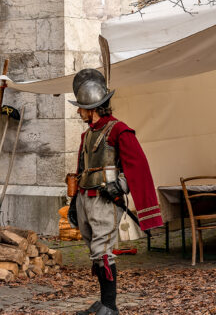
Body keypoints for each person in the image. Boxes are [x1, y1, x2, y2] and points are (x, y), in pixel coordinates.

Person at [67, 69, 163, 315]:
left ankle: (110, 307)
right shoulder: (87, 134)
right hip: (85, 199)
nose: (78, 111)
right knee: (94, 252)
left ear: (92, 107)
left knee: (103, 251)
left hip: (105, 201)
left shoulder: (119, 130)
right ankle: (103, 303)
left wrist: (120, 185)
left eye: (81, 107)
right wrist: (73, 204)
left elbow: (137, 166)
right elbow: (81, 170)